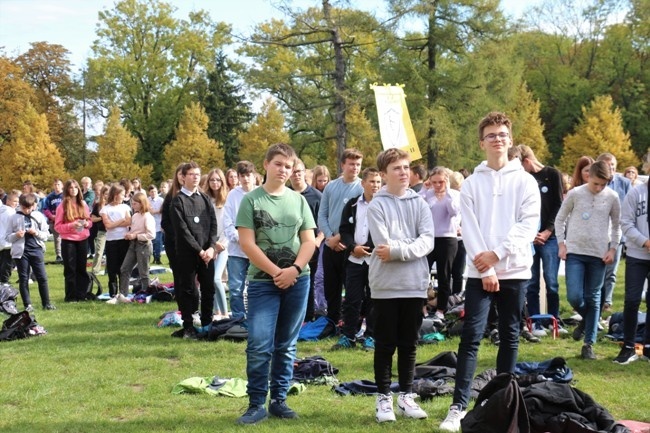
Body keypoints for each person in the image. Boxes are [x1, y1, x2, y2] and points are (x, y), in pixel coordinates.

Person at [439, 112, 540, 432]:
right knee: (470, 337)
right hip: (479, 272)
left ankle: (502, 403)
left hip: (515, 268)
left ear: (510, 141)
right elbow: (468, 226)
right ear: (482, 142)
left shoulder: (525, 180)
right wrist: (486, 268)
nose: (497, 139)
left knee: (509, 337)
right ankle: (457, 407)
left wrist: (497, 255)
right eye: (491, 135)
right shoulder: (471, 183)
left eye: (502, 135)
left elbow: (527, 224)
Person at [235, 143, 316, 425]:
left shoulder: (299, 200)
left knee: (287, 344)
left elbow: (309, 240)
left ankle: (279, 400)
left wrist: (294, 269)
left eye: (289, 166)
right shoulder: (252, 201)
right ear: (266, 164)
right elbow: (247, 243)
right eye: (279, 164)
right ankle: (256, 403)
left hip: (298, 280)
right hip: (262, 282)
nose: (284, 170)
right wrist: (275, 272)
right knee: (259, 343)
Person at [366, 148, 434, 423]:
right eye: (396, 168)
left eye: (406, 167)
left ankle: (406, 395)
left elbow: (428, 240)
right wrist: (409, 246)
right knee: (385, 344)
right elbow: (382, 243)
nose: (403, 172)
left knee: (409, 343)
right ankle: (384, 398)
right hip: (385, 285)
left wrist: (400, 251)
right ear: (383, 174)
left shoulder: (420, 203)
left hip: (414, 285)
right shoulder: (377, 205)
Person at [555, 161, 621, 360]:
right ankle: (587, 320)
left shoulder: (612, 197)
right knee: (574, 296)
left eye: (603, 185)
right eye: (596, 184)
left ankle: (588, 344)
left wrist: (613, 249)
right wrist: (561, 244)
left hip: (599, 254)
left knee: (594, 298)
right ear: (588, 176)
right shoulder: (575, 193)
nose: (599, 188)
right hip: (575, 251)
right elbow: (560, 219)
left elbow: (617, 226)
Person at [331, 167, 381, 351]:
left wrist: (367, 247)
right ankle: (348, 335)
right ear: (363, 184)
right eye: (372, 181)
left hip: (375, 260)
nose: (375, 185)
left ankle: (371, 336)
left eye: (378, 182)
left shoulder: (384, 204)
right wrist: (353, 247)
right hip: (354, 260)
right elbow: (344, 229)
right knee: (352, 299)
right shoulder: (353, 204)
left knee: (373, 299)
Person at [518, 144, 565, 337]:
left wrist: (547, 230)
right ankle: (535, 321)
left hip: (550, 237)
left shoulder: (552, 174)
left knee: (552, 281)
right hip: (529, 238)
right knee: (532, 282)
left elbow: (559, 205)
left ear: (527, 161)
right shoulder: (521, 180)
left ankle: (553, 319)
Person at [317, 149, 363, 334]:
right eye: (351, 164)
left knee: (351, 288)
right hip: (330, 245)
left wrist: (341, 238)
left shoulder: (362, 188)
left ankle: (351, 322)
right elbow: (322, 214)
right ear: (343, 164)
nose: (355, 168)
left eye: (358, 164)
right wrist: (329, 237)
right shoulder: (331, 187)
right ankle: (332, 321)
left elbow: (360, 220)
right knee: (330, 286)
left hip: (349, 246)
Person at [170, 162, 218, 339]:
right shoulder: (178, 201)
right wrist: (199, 251)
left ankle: (207, 324)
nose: (196, 177)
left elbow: (213, 224)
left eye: (198, 174)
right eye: (191, 174)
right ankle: (189, 325)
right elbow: (182, 230)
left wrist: (211, 248)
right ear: (182, 177)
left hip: (207, 253)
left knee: (208, 289)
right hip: (188, 254)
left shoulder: (205, 198)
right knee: (188, 289)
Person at [616, 152, 650, 364]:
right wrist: (645, 242)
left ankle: (647, 347)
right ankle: (628, 346)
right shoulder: (635, 193)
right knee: (632, 300)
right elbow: (626, 223)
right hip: (638, 255)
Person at [419, 166, 460, 321]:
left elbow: (454, 212)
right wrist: (424, 188)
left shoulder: (454, 194)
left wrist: (447, 192)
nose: (437, 185)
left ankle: (441, 309)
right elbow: (417, 205)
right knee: (423, 274)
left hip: (447, 238)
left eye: (441, 182)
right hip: (429, 238)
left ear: (446, 181)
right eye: (434, 182)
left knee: (444, 276)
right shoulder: (428, 194)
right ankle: (422, 307)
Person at [288, 159, 323, 323]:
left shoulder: (317, 196)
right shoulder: (284, 194)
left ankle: (307, 317)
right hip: (288, 247)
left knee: (307, 282)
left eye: (299, 171)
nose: (296, 175)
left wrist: (317, 240)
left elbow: (324, 222)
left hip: (310, 248)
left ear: (304, 172)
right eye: (293, 172)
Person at [223, 161, 258, 325]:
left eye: (248, 175)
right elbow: (227, 221)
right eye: (242, 176)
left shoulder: (261, 193)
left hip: (257, 249)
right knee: (236, 287)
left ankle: (255, 317)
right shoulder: (233, 195)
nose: (245, 179)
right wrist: (241, 238)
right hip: (237, 250)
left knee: (256, 286)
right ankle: (238, 318)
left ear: (254, 176)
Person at [7, 193, 55, 311]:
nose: (27, 210)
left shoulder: (38, 216)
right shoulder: (14, 217)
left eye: (29, 208)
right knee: (23, 278)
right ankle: (27, 304)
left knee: (42, 277)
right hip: (21, 252)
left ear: (34, 205)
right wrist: (16, 235)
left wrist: (36, 233)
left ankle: (46, 303)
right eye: (24, 208)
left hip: (36, 249)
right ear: (20, 205)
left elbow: (46, 234)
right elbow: (7, 237)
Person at [596, 152, 630, 313]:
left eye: (614, 165)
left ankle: (607, 302)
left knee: (612, 272)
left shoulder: (624, 183)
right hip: (598, 234)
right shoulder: (597, 183)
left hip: (617, 234)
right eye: (608, 165)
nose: (611, 168)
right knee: (597, 270)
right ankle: (595, 299)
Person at [55, 179, 93, 303]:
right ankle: (71, 296)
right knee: (70, 269)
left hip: (83, 239)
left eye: (75, 187)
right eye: (71, 188)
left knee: (82, 268)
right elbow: (57, 226)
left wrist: (87, 223)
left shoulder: (83, 204)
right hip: (68, 240)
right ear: (67, 190)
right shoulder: (62, 206)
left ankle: (82, 294)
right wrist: (71, 225)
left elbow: (90, 221)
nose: (73, 190)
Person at [201, 168, 230, 320]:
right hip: (209, 244)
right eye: (212, 180)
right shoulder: (204, 200)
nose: (215, 183)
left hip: (223, 244)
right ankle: (216, 311)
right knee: (209, 279)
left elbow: (229, 224)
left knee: (217, 279)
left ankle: (224, 313)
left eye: (218, 180)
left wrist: (220, 244)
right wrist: (211, 245)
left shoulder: (227, 200)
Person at [116, 192, 154, 299]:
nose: (133, 206)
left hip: (143, 245)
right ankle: (123, 294)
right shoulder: (135, 216)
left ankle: (146, 295)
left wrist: (135, 236)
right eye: (132, 203)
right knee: (124, 268)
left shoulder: (147, 217)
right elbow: (134, 229)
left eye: (135, 204)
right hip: (133, 245)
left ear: (142, 204)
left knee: (143, 272)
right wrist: (129, 234)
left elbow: (151, 235)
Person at [100, 184, 132, 301]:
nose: (124, 197)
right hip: (111, 241)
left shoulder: (125, 207)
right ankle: (112, 293)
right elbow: (108, 226)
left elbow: (128, 221)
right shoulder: (105, 209)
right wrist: (121, 220)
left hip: (123, 239)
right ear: (116, 195)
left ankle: (123, 291)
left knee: (123, 267)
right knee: (112, 268)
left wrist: (117, 223)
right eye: (122, 194)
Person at [42, 178, 64, 262]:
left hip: (64, 220)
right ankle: (59, 255)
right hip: (53, 220)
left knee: (65, 237)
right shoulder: (50, 197)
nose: (57, 186)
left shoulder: (65, 196)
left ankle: (65, 254)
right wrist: (51, 216)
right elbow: (45, 209)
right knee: (57, 238)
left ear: (62, 186)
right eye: (55, 184)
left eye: (58, 184)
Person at [90, 185, 109, 277]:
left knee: (110, 252)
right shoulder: (98, 205)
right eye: (105, 194)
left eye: (109, 194)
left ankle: (108, 270)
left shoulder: (114, 205)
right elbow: (93, 219)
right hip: (102, 231)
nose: (107, 196)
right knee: (99, 251)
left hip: (112, 231)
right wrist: (102, 217)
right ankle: (95, 271)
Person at [0, 192, 18, 283]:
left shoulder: (1, 210)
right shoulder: (11, 212)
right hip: (9, 241)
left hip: (1, 241)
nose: (16, 203)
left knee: (2, 262)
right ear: (8, 201)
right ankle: (4, 281)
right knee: (8, 263)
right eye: (14, 201)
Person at [148, 185, 164, 265]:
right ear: (149, 192)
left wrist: (155, 211)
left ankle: (158, 257)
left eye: (155, 191)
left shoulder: (161, 200)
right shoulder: (147, 200)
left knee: (158, 241)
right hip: (150, 224)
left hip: (158, 223)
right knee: (152, 241)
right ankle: (153, 256)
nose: (153, 193)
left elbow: (163, 211)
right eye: (151, 192)